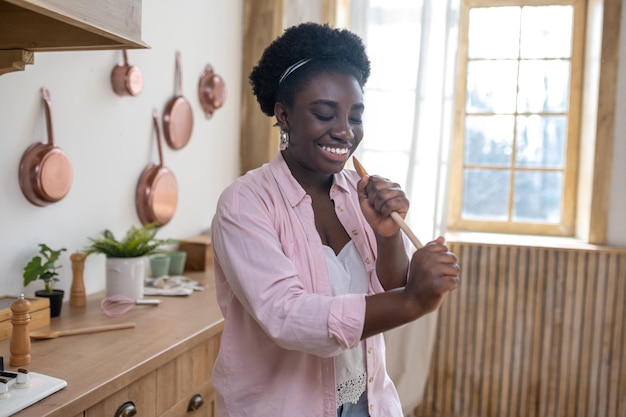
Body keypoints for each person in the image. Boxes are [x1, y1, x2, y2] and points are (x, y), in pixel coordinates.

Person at [210, 22, 460, 417]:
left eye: (355, 116)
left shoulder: (355, 192)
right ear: (284, 116)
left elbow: (386, 287)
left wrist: (389, 235)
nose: (345, 131)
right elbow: (287, 317)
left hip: (369, 403)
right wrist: (414, 300)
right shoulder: (244, 204)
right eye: (325, 113)